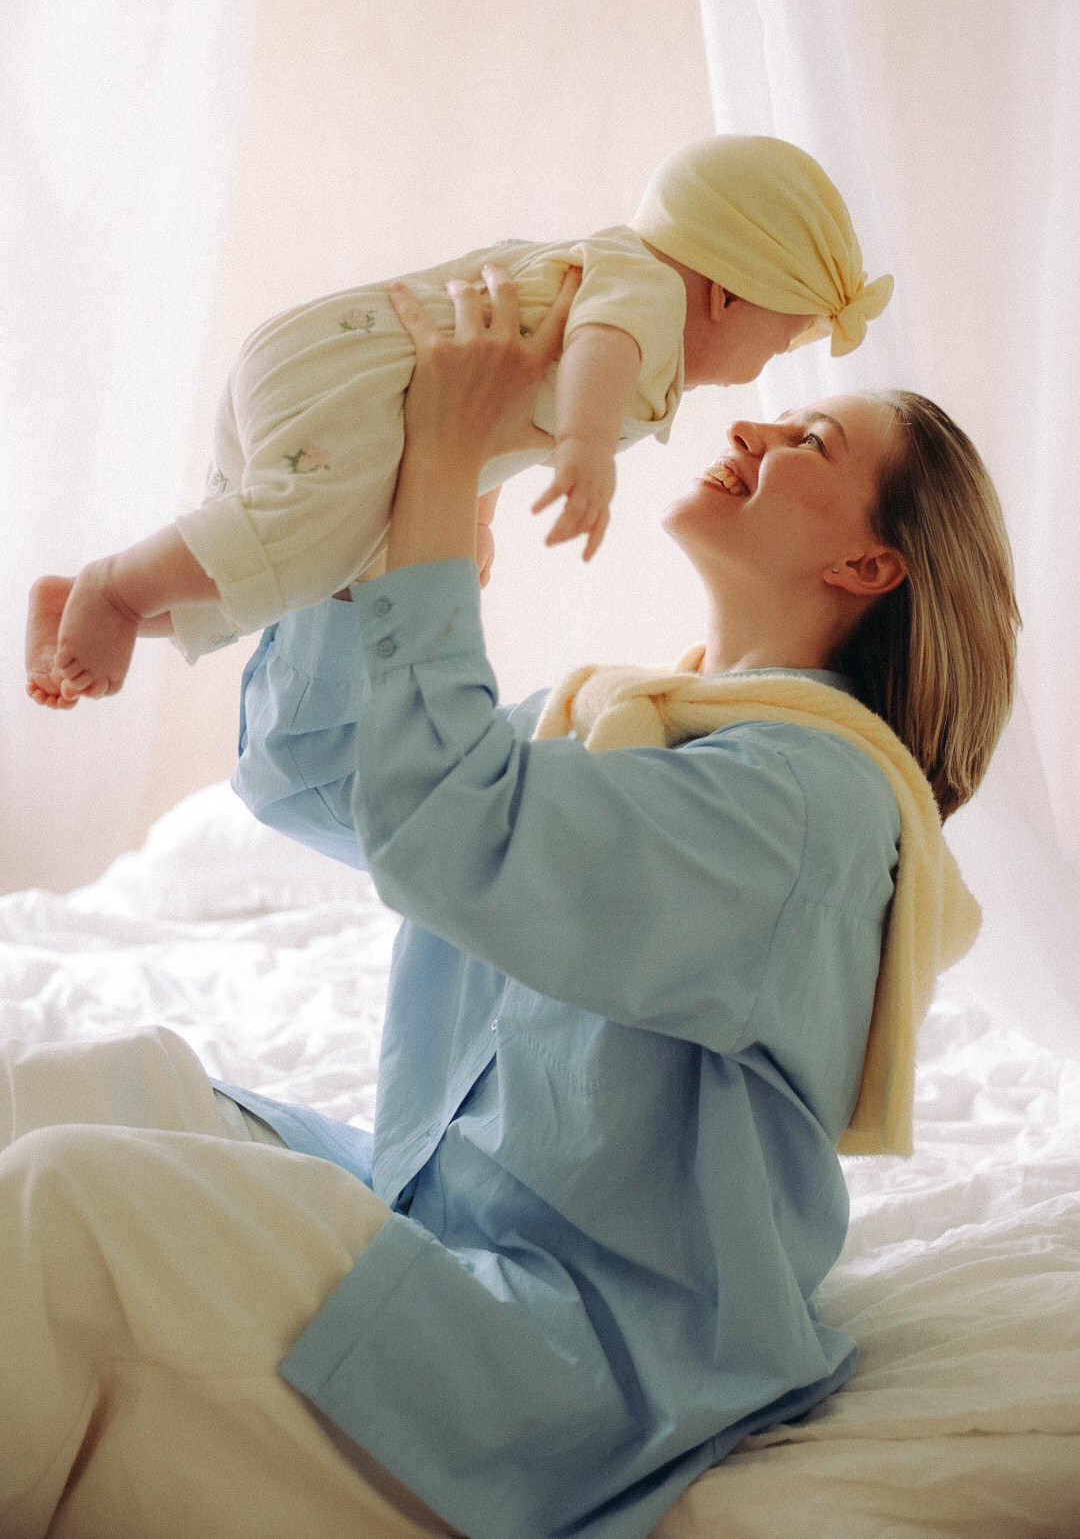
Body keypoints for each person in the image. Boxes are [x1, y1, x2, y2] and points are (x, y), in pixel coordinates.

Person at [0, 269, 1018, 1539]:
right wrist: (391, 518)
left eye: (812, 439)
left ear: (874, 561)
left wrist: (440, 469)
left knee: (64, 1202)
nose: (751, 425)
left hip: (558, 1359)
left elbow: (452, 830)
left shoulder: (811, 802)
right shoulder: (635, 725)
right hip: (431, 1217)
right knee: (56, 1091)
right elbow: (319, 774)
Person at [24, 134, 895, 709]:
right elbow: (596, 347)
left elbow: (502, 416)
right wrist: (591, 448)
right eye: (779, 342)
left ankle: (84, 609)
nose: (766, 372)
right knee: (296, 546)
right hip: (353, 382)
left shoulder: (609, 272)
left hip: (340, 374)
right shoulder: (647, 294)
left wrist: (471, 511)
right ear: (727, 290)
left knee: (289, 569)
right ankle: (117, 587)